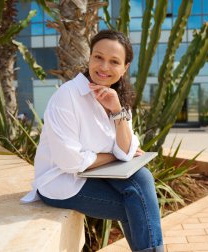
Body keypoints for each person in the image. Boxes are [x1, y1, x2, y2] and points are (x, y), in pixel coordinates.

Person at [21, 30, 164, 252]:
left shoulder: (118, 98)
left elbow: (126, 152)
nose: (104, 67)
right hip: (61, 182)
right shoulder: (67, 96)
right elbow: (70, 162)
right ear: (90, 58)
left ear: (125, 68)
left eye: (114, 61)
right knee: (136, 206)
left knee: (142, 178)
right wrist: (113, 155)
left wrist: (117, 111)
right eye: (98, 57)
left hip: (97, 173)